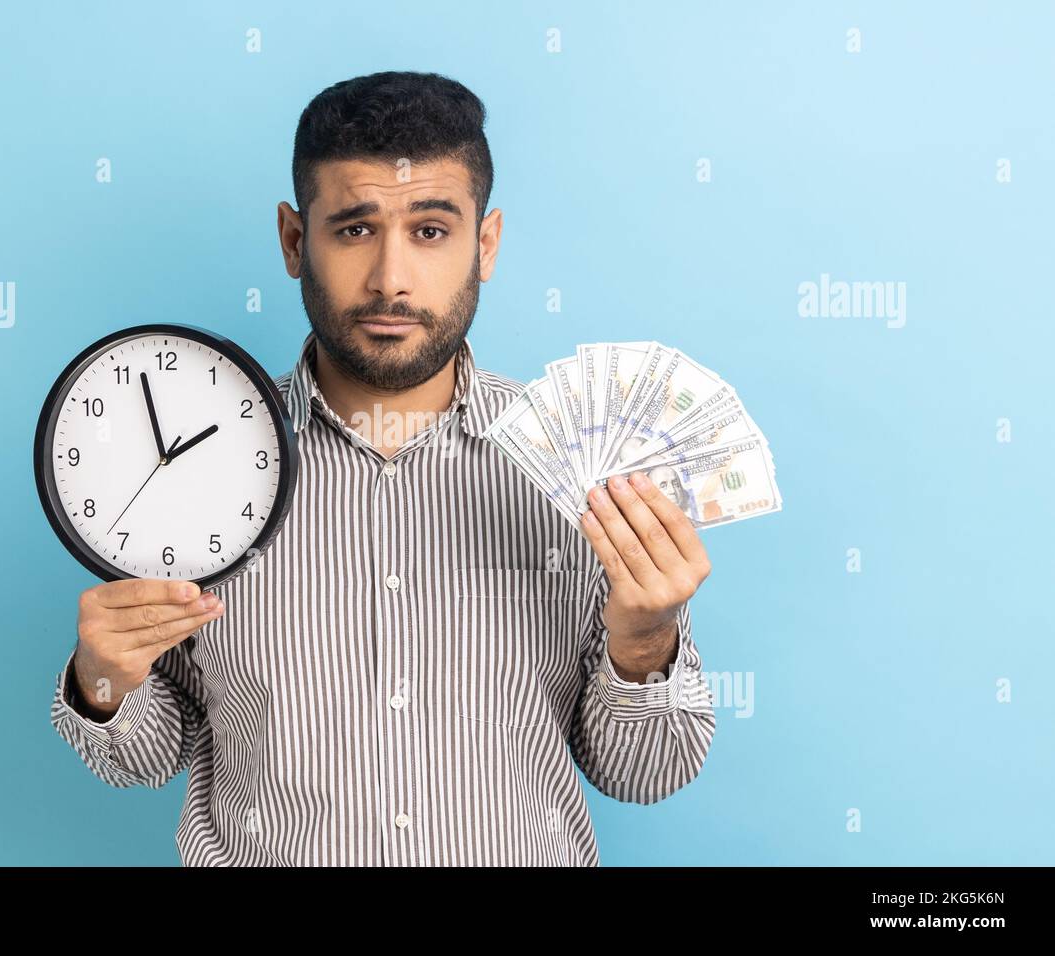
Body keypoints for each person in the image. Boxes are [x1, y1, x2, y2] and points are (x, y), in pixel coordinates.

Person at [50, 70, 716, 866]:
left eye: (431, 231)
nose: (392, 279)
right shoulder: (193, 472)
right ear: (296, 242)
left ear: (487, 243)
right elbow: (144, 759)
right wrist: (102, 679)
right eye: (355, 230)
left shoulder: (576, 471)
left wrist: (644, 643)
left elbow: (645, 773)